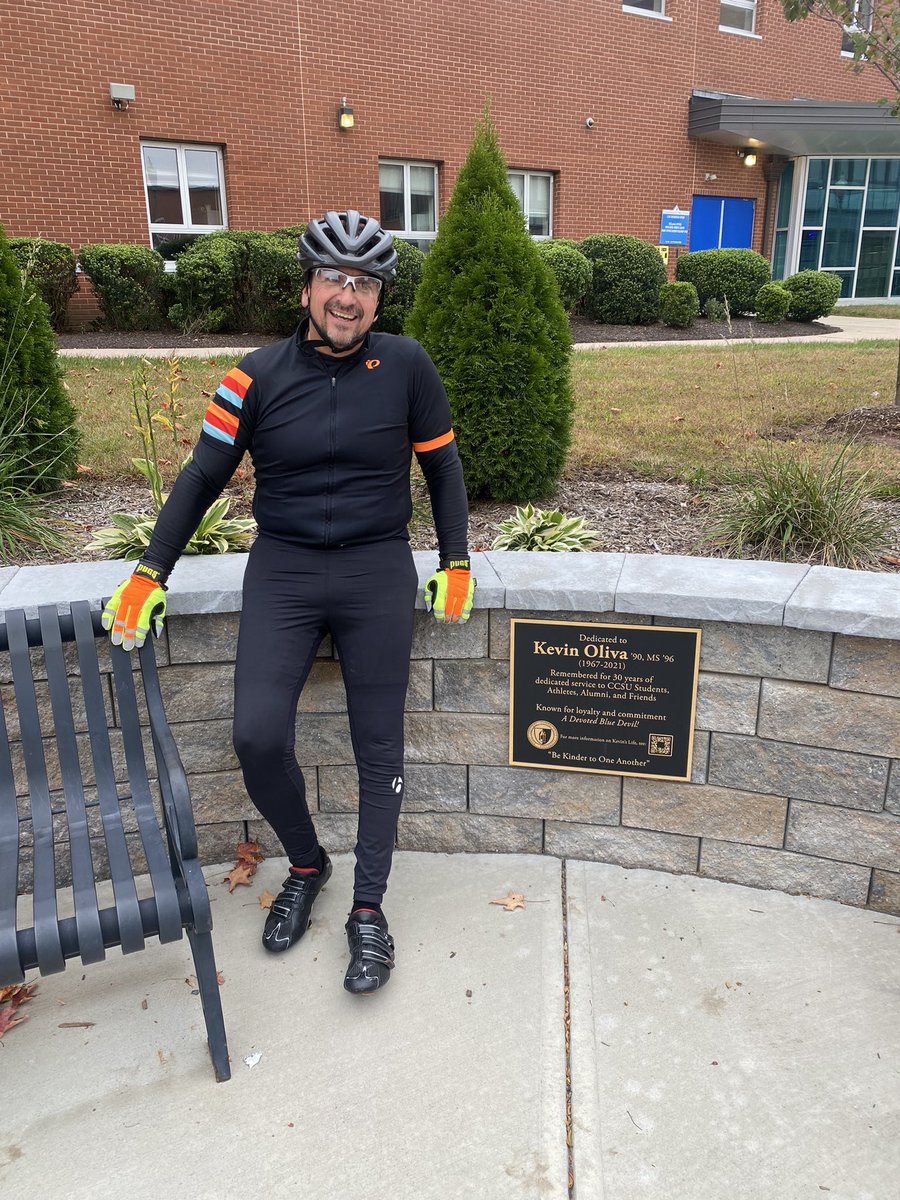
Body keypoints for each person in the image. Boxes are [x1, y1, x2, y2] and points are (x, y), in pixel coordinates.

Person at [101, 210, 474, 995]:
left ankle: (367, 911)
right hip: (286, 569)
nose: (348, 296)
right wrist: (149, 572)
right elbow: (201, 476)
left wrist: (457, 558)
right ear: (306, 287)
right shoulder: (253, 375)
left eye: (365, 283)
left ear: (379, 298)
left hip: (376, 570)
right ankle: (307, 863)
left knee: (381, 749)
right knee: (255, 735)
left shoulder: (408, 366)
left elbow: (443, 470)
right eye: (334, 279)